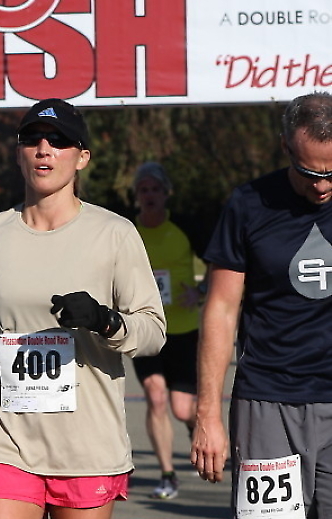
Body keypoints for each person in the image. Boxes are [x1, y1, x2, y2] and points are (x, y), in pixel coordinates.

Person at [0, 98, 166, 519]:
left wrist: (105, 320)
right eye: (32, 139)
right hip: (5, 436)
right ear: (19, 153)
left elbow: (154, 331)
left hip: (86, 442)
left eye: (59, 140)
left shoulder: (115, 233)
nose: (44, 149)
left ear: (82, 157)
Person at [191, 92, 332, 518]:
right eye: (309, 172)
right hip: (267, 403)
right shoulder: (248, 204)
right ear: (285, 146)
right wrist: (207, 415)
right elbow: (220, 310)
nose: (322, 186)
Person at [131, 161, 204, 500]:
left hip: (183, 329)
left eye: (155, 189)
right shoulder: (128, 231)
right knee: (156, 396)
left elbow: (221, 263)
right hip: (145, 329)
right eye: (144, 190)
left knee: (182, 408)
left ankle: (196, 430)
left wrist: (200, 291)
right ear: (136, 195)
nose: (150, 196)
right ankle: (167, 474)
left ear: (166, 193)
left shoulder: (185, 227)